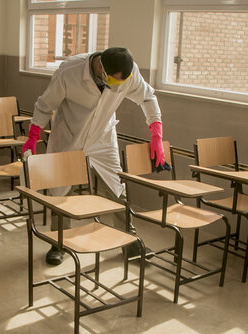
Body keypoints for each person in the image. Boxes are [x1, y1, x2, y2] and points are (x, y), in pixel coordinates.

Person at [22, 47, 165, 265]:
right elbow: (45, 105)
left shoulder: (129, 72)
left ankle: (130, 241)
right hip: (69, 136)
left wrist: (156, 131)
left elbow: (147, 97)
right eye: (114, 81)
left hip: (102, 137)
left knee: (117, 188)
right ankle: (58, 243)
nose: (118, 86)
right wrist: (33, 136)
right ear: (100, 67)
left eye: (121, 82)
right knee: (60, 192)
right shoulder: (69, 71)